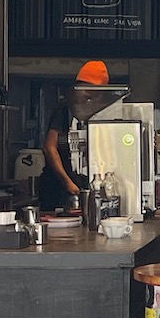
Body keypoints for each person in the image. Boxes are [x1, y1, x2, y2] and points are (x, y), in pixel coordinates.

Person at [39, 59, 109, 211]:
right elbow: (49, 148)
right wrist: (67, 182)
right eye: (87, 90)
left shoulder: (101, 113)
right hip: (56, 187)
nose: (90, 96)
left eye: (97, 93)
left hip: (84, 185)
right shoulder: (64, 111)